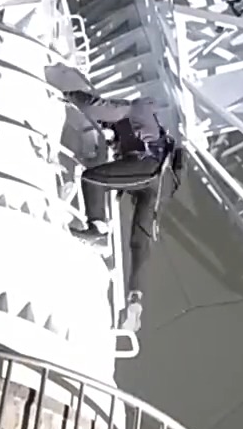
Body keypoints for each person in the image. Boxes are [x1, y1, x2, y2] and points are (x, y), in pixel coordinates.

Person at [64, 89, 185, 334]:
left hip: (148, 167)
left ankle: (98, 230)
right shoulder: (155, 129)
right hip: (160, 183)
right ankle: (135, 301)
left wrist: (70, 94)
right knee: (140, 241)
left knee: (92, 179)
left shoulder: (135, 107)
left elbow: (98, 106)